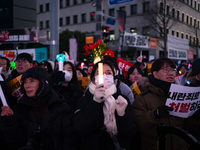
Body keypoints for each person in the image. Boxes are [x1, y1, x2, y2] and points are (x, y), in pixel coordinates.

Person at [132, 58, 200, 150]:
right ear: (155, 74)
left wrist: (195, 117)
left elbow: (188, 126)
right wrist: (155, 115)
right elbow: (136, 126)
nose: (171, 73)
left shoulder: (182, 95)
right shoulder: (143, 98)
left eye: (173, 70)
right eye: (166, 69)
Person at [1, 67, 76, 150]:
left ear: (43, 83)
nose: (27, 85)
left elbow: (70, 141)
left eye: (32, 81)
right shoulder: (20, 108)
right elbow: (15, 142)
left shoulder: (60, 108)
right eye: (25, 82)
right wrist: (11, 121)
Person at [73, 60, 137, 150]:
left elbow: (131, 132)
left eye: (108, 73)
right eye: (99, 73)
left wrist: (122, 114)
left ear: (113, 77)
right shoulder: (84, 101)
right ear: (93, 79)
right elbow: (81, 128)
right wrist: (95, 102)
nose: (104, 76)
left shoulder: (121, 99)